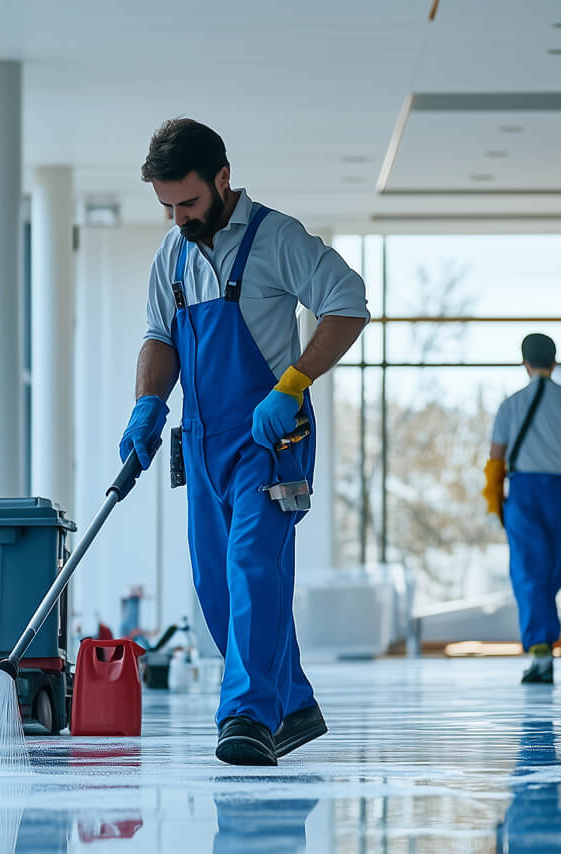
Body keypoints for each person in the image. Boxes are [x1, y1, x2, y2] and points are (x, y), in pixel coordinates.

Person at [119, 118, 368, 765]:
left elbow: (348, 303)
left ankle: (248, 718)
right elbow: (160, 337)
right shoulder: (171, 257)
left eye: (189, 202)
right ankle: (293, 704)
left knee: (254, 566)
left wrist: (293, 382)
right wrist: (148, 403)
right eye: (168, 206)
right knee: (216, 586)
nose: (178, 218)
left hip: (270, 436)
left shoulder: (276, 238)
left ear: (223, 178)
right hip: (201, 445)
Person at [482, 334, 561, 684]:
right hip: (559, 492)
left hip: (522, 493)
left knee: (528, 570)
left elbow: (495, 461)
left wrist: (495, 501)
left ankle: (540, 651)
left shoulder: (510, 405)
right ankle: (544, 644)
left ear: (525, 362)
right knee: (551, 566)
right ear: (554, 361)